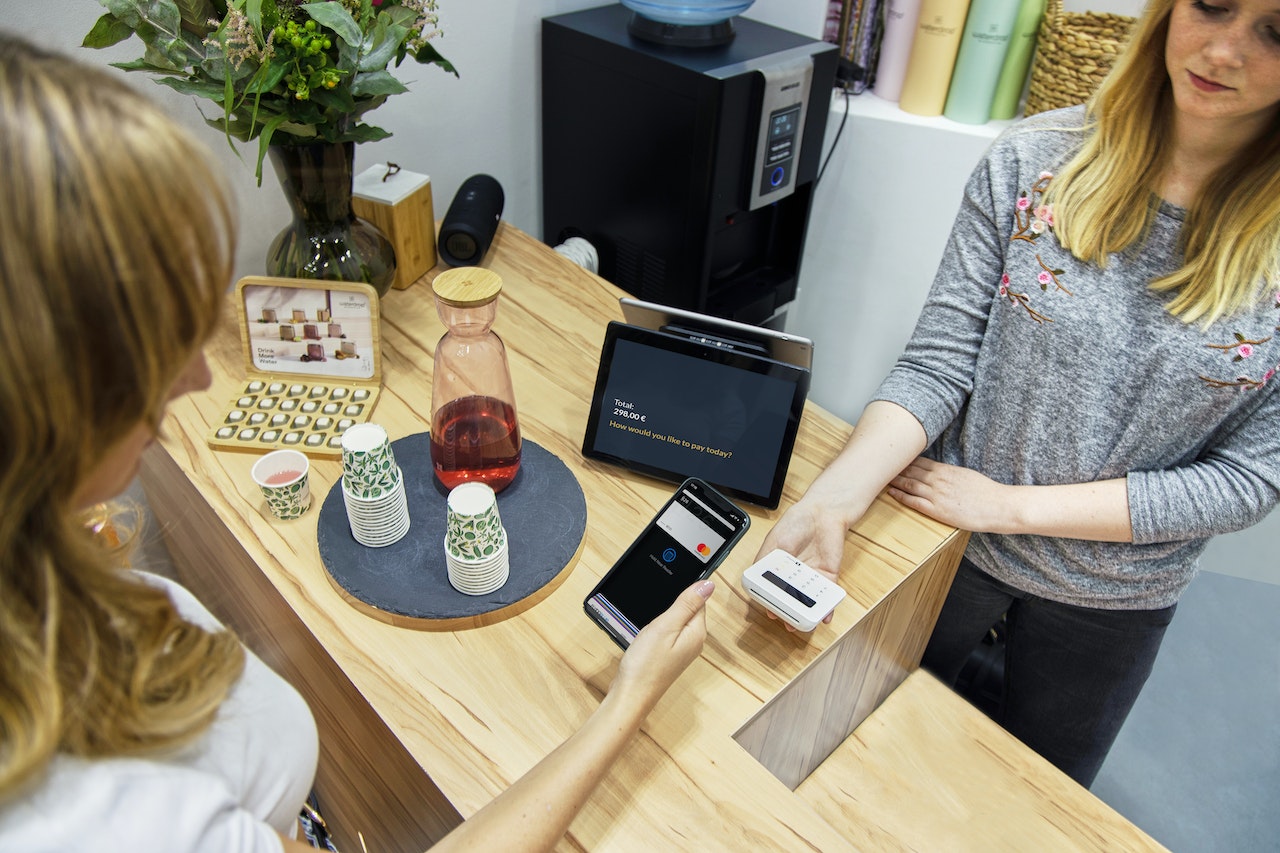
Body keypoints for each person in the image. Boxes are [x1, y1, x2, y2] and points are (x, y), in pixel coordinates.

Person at [0, 33, 714, 852]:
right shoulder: (87, 818)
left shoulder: (47, 578)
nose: (200, 377)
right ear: (42, 387)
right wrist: (630, 698)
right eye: (160, 341)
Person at [758, 0, 1280, 788]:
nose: (1226, 50)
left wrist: (1009, 507)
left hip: (1113, 597)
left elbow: (1248, 480)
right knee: (845, 761)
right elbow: (940, 361)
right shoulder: (1037, 159)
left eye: (1277, 31)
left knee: (1031, 796)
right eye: (1211, 5)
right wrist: (834, 497)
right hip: (943, 540)